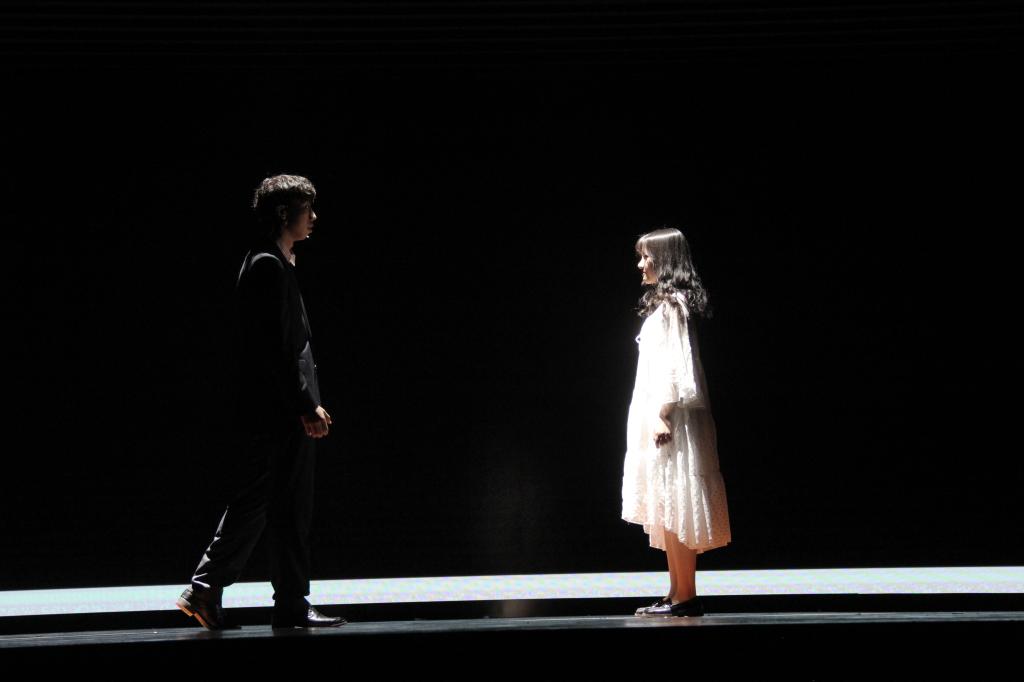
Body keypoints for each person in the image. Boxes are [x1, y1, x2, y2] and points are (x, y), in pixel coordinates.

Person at [176, 174, 344, 629]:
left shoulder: (272, 262)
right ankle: (282, 603)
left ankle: (209, 590)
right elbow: (275, 350)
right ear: (284, 214)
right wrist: (305, 404)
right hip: (279, 412)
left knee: (262, 503)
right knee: (283, 508)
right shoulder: (267, 266)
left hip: (273, 410)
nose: (314, 217)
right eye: (307, 209)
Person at [621, 227, 732, 617]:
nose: (641, 264)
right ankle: (676, 592)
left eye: (646, 257)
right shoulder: (665, 306)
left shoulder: (673, 307)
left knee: (676, 503)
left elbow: (676, 366)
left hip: (671, 417)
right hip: (661, 413)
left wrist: (661, 414)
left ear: (665, 261)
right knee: (667, 505)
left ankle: (686, 596)